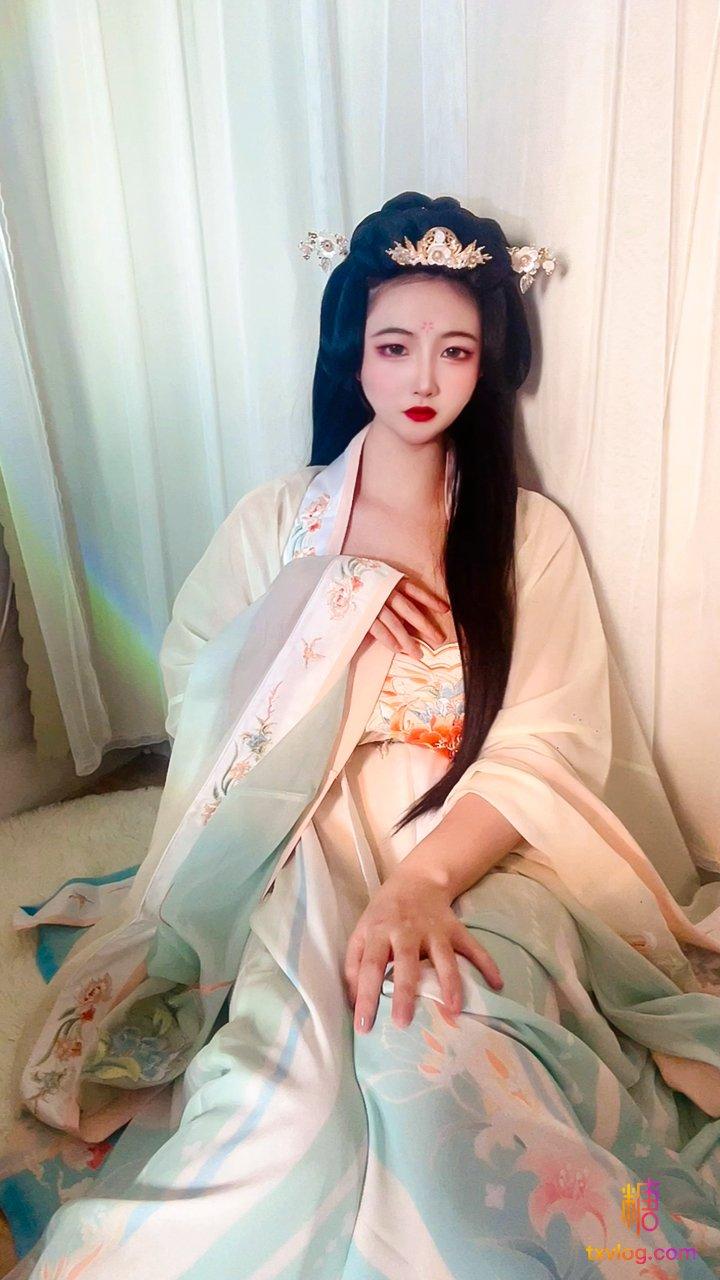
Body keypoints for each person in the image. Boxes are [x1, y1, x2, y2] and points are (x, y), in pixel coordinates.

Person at [5, 192, 720, 1278]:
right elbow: (196, 690)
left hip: (477, 844)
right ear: (353, 350)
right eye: (394, 346)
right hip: (311, 835)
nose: (423, 378)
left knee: (443, 1051)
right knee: (281, 1089)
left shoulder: (527, 534)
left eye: (455, 350)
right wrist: (321, 611)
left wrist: (424, 882)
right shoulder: (276, 521)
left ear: (488, 362)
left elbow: (549, 742)